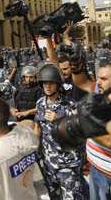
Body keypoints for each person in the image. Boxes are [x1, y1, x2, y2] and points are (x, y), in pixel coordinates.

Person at [72, 61, 111, 200]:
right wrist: (76, 67)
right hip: (96, 168)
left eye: (103, 79)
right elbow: (82, 82)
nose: (98, 82)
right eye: (98, 77)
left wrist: (83, 125)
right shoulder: (105, 92)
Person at [34, 65, 88, 200]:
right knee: (55, 196)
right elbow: (38, 128)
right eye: (45, 83)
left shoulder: (70, 104)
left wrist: (60, 120)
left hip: (68, 162)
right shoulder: (40, 103)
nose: (47, 86)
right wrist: (35, 149)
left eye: (51, 83)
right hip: (48, 162)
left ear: (57, 84)